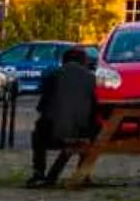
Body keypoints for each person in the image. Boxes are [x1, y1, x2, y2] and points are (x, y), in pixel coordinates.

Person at [28, 47, 97, 187]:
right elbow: (94, 107)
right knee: (93, 127)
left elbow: (42, 107)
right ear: (84, 61)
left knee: (38, 130)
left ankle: (39, 171)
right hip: (84, 131)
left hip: (53, 134)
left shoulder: (53, 76)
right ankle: (83, 172)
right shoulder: (91, 78)